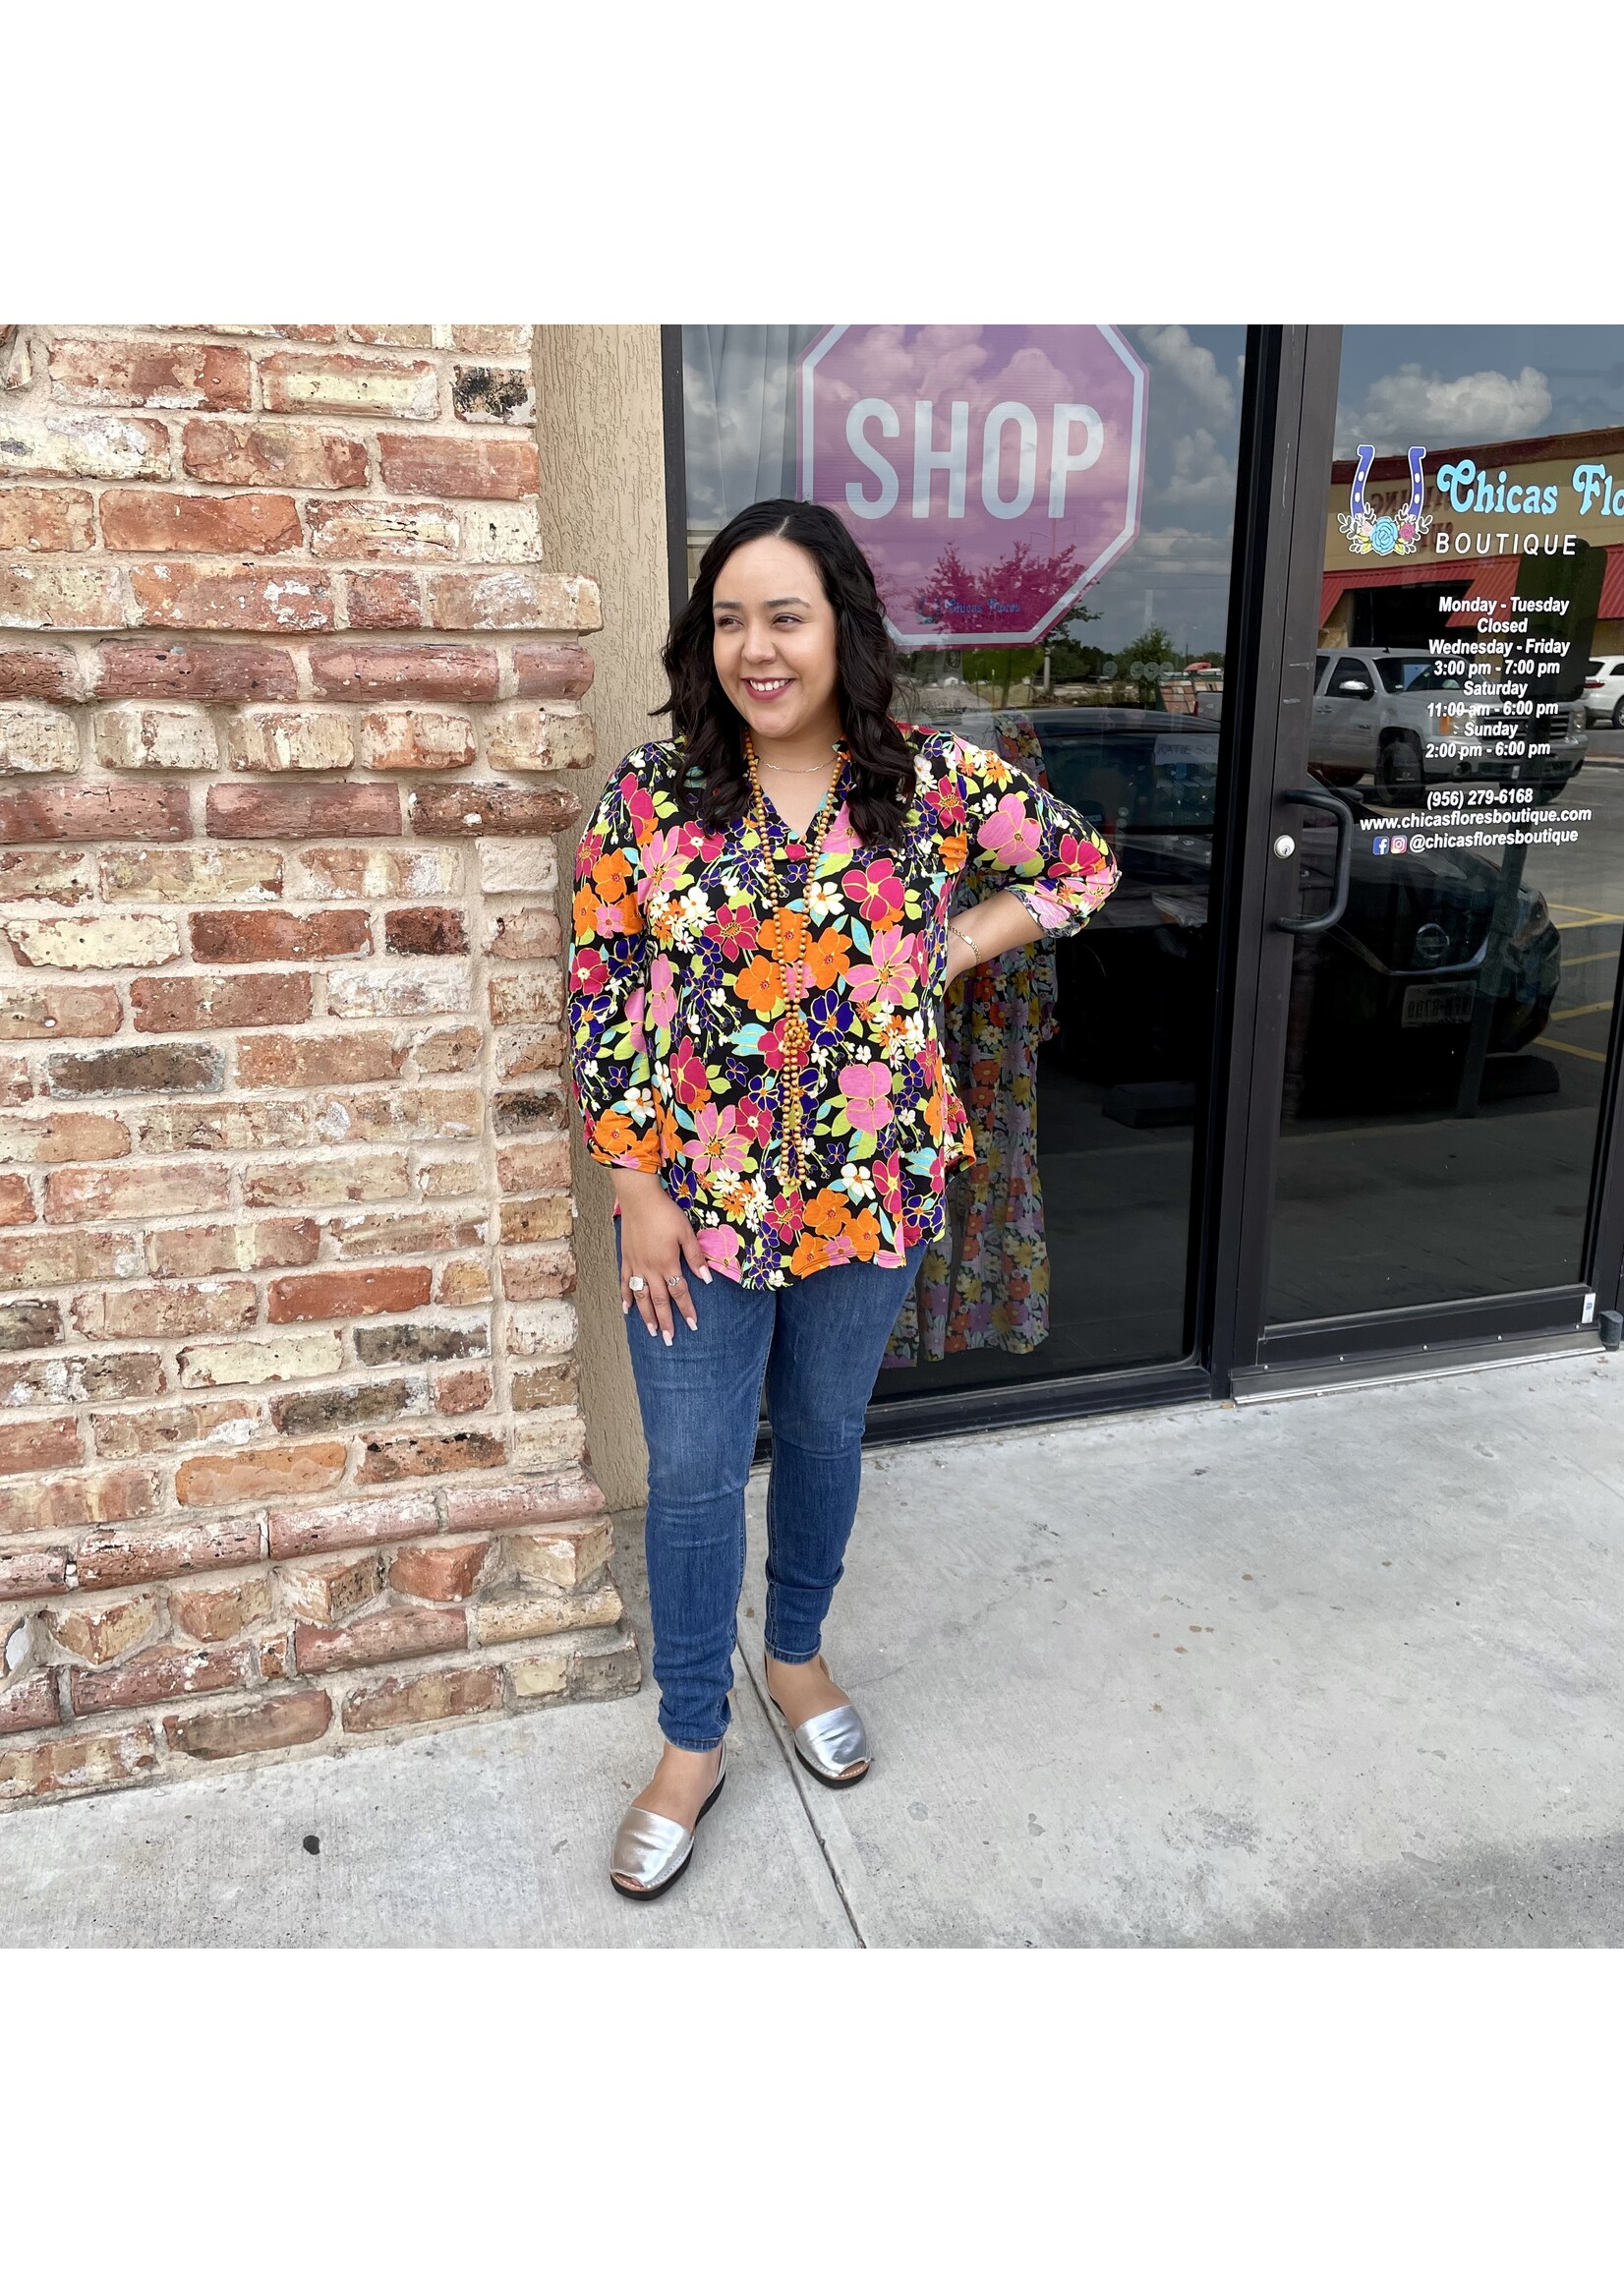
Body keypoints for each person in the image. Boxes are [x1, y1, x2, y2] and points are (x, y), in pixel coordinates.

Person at [566, 498, 1119, 1898]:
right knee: (692, 1474)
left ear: (842, 628)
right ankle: (692, 1736)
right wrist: (632, 1181)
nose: (757, 646)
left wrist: (954, 943)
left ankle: (798, 1653)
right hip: (691, 1209)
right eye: (731, 618)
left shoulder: (927, 781)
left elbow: (1079, 865)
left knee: (821, 1429)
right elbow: (604, 992)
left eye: (786, 614)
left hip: (870, 1195)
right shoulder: (655, 796)